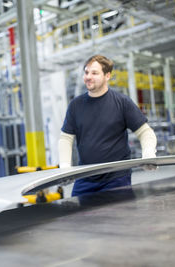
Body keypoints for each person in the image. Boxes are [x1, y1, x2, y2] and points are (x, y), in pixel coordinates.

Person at [58, 55, 157, 197]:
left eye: (94, 73)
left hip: (116, 179)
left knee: (117, 218)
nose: (88, 77)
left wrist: (148, 153)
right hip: (85, 178)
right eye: (86, 72)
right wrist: (65, 166)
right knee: (77, 216)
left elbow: (145, 132)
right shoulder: (76, 105)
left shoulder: (122, 102)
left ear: (107, 76)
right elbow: (66, 138)